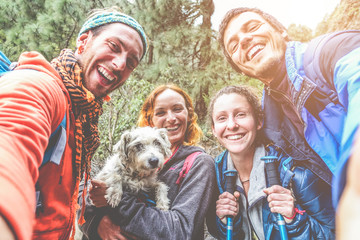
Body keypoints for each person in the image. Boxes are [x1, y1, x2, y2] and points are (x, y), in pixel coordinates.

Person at [0, 7, 147, 240]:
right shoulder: (42, 87)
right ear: (84, 41)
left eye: (131, 62)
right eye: (113, 46)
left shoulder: (82, 116)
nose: (120, 64)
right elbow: (10, 146)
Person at [217, 7, 360, 208]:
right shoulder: (271, 127)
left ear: (281, 30)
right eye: (233, 46)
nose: (243, 40)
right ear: (240, 69)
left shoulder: (329, 51)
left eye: (253, 27)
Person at [79, 84, 216, 240]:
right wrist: (97, 223)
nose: (171, 118)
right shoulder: (129, 157)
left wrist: (117, 203)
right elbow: (83, 194)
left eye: (177, 109)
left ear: (189, 114)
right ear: (150, 119)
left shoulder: (199, 164)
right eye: (161, 112)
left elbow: (180, 232)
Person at [206, 85, 335, 239]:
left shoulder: (294, 171)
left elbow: (337, 233)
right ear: (214, 129)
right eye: (222, 118)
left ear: (259, 121)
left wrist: (294, 220)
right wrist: (225, 223)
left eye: (240, 114)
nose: (232, 125)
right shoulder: (215, 175)